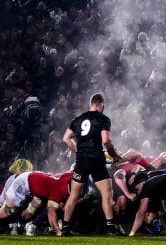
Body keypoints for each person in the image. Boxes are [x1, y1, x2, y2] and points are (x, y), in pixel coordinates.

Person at [61, 92, 122, 236]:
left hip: (82, 160)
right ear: (101, 104)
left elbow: (66, 138)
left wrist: (78, 151)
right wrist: (114, 155)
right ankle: (111, 228)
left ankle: (65, 228)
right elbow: (106, 141)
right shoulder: (103, 119)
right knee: (106, 194)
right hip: (96, 159)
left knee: (74, 195)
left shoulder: (78, 119)